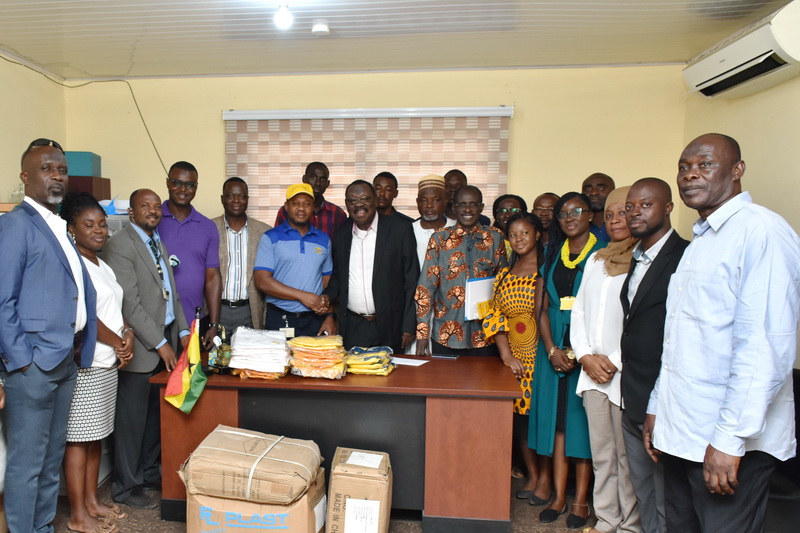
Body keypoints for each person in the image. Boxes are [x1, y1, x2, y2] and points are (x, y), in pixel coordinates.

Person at [644, 134, 800, 532]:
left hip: (727, 443)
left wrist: (730, 440)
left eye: (704, 164)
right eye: (684, 166)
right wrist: (658, 405)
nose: (690, 174)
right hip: (685, 431)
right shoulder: (703, 239)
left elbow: (765, 347)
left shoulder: (760, 232)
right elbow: (681, 338)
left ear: (737, 170)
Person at [0, 138, 98, 533]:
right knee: (27, 463)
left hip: (63, 361)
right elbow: (2, 301)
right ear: (26, 177)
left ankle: (42, 527)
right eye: (46, 169)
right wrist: (22, 359)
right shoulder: (15, 225)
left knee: (51, 456)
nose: (56, 175)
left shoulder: (59, 224)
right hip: (34, 365)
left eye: (61, 169)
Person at [103, 188, 190, 510]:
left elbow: (172, 292)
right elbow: (131, 305)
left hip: (165, 338)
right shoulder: (120, 245)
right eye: (145, 206)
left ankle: (150, 471)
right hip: (142, 348)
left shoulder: (156, 241)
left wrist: (181, 331)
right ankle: (126, 486)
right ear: (131, 212)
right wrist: (161, 344)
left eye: (156, 207)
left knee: (155, 418)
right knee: (131, 421)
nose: (153, 211)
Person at [528, 192, 606, 526]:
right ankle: (558, 497)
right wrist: (551, 350)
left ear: (590, 215)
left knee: (581, 426)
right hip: (554, 350)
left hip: (588, 351)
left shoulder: (603, 255)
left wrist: (580, 350)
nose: (569, 217)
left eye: (576, 211)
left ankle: (580, 502)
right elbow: (542, 306)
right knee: (558, 427)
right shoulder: (552, 253)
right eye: (563, 213)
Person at [61, 192, 134, 533]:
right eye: (88, 224)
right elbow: (86, 316)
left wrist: (127, 335)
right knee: (78, 439)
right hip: (88, 363)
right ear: (72, 228)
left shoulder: (100, 264)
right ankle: (78, 514)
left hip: (108, 361)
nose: (99, 230)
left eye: (102, 224)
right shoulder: (73, 263)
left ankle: (91, 502)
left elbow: (112, 310)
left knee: (95, 437)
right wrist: (118, 341)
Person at [620, 177, 689, 533]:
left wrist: (658, 401)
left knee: (667, 497)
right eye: (630, 205)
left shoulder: (685, 256)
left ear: (668, 208)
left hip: (664, 399)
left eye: (645, 205)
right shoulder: (638, 255)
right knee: (644, 489)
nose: (634, 212)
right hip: (633, 391)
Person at [571, 186, 640, 533]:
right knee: (602, 454)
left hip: (623, 372)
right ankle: (607, 519)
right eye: (610, 215)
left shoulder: (645, 260)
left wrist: (612, 360)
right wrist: (584, 354)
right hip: (592, 372)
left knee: (627, 458)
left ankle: (629, 525)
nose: (615, 220)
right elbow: (579, 310)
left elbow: (642, 322)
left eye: (623, 213)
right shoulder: (597, 261)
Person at [482, 212, 545, 502]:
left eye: (525, 234)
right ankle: (532, 474)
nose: (519, 239)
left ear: (538, 235)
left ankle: (546, 479)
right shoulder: (506, 272)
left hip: (543, 355)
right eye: (513, 235)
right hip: (516, 358)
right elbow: (492, 313)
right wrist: (506, 355)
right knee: (520, 420)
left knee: (541, 419)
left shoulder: (547, 268)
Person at [324, 180, 419, 352]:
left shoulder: (400, 229)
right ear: (346, 205)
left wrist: (408, 325)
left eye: (365, 198)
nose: (359, 204)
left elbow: (412, 280)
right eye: (353, 200)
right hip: (353, 325)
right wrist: (326, 298)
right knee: (354, 376)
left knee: (392, 376)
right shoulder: (341, 234)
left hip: (391, 325)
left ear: (375, 200)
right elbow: (338, 276)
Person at [415, 185, 507, 357]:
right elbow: (425, 289)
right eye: (462, 204)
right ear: (454, 207)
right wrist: (422, 334)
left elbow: (503, 286)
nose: (467, 209)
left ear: (481, 207)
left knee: (485, 384)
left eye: (473, 204)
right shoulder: (439, 239)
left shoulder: (495, 237)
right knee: (444, 384)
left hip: (486, 335)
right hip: (445, 335)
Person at [255, 184, 333, 337]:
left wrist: (329, 314)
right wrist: (303, 296)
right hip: (280, 318)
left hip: (314, 319)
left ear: (313, 207)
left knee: (314, 361)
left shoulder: (324, 240)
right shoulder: (270, 237)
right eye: (295, 203)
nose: (301, 208)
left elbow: (327, 281)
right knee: (281, 361)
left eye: (307, 204)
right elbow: (262, 281)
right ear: (286, 206)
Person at [159, 161, 221, 349]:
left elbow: (212, 278)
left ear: (195, 188)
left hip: (194, 322)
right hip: (156, 324)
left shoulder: (207, 226)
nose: (183, 189)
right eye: (177, 182)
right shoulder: (153, 220)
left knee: (190, 377)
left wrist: (213, 324)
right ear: (168, 183)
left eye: (190, 185)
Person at [212, 177, 272, 332]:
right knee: (216, 356)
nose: (236, 200)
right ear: (222, 199)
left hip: (250, 309)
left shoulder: (264, 232)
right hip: (217, 309)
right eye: (231, 195)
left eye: (241, 196)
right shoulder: (209, 228)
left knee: (248, 355)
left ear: (247, 199)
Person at [273, 162, 347, 239]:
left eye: (322, 179)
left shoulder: (338, 213)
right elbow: (276, 239)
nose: (318, 183)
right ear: (304, 179)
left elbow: (341, 246)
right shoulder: (287, 211)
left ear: (327, 184)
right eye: (313, 177)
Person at [411, 174, 454, 267]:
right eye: (424, 201)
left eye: (436, 200)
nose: (429, 205)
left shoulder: (457, 229)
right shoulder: (408, 231)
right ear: (417, 202)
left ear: (445, 200)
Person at [492, 194, 528, 260]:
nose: (508, 215)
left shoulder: (529, 241)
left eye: (514, 210)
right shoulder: (488, 240)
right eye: (503, 211)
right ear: (496, 216)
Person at [582, 173, 615, 242]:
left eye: (601, 188)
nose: (593, 193)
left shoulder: (623, 226)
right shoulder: (577, 228)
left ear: (613, 191)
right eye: (587, 190)